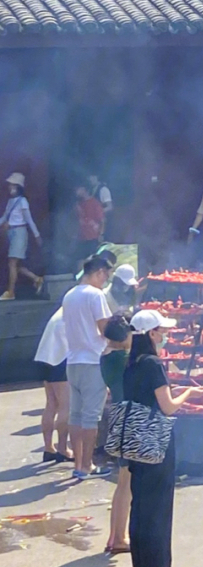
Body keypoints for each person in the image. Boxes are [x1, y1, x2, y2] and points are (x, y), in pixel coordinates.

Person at [124, 309, 203, 567]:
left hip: (136, 439)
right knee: (158, 508)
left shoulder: (132, 363)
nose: (166, 335)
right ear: (152, 334)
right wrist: (189, 394)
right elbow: (168, 406)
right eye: (162, 330)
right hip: (156, 439)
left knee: (141, 506)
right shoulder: (153, 364)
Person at [62, 255, 113, 479]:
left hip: (73, 360)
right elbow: (105, 329)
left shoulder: (69, 295)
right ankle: (87, 464)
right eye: (106, 275)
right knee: (91, 417)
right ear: (99, 272)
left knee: (76, 414)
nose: (105, 280)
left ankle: (78, 465)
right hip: (93, 360)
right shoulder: (95, 294)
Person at [100, 316, 133, 556]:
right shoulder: (123, 359)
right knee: (126, 482)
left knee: (123, 481)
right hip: (128, 418)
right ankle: (119, 536)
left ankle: (116, 534)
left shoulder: (107, 356)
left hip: (118, 415)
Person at [33, 306, 72, 463]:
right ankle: (63, 449)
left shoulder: (61, 311)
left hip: (45, 357)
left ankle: (49, 448)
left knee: (51, 404)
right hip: (60, 358)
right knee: (65, 405)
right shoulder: (75, 310)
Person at [1, 173, 44, 298]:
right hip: (11, 233)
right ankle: (36, 279)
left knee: (12, 263)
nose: (10, 187)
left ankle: (10, 292)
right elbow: (4, 217)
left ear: (18, 187)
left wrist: (36, 235)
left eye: (12, 185)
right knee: (16, 265)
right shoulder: (11, 201)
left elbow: (29, 220)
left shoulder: (22, 201)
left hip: (19, 232)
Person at [74, 184, 106, 265]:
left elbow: (102, 220)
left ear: (84, 189)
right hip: (81, 237)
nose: (76, 191)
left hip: (93, 237)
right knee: (80, 260)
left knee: (91, 260)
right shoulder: (79, 204)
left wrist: (100, 235)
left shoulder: (94, 203)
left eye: (78, 188)